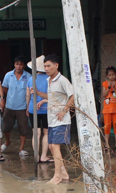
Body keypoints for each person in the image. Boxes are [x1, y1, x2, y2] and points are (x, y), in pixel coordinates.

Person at [44, 54, 74, 185]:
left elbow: (73, 97)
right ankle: (63, 173)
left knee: (55, 147)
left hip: (62, 120)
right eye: (45, 66)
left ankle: (57, 176)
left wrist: (64, 110)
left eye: (48, 66)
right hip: (52, 119)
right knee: (51, 146)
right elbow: (53, 96)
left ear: (56, 65)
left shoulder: (63, 80)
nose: (46, 68)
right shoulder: (48, 80)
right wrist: (40, 96)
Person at [1, 56, 31, 156]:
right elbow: (4, 88)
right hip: (9, 106)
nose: (18, 66)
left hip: (22, 107)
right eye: (17, 64)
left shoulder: (28, 76)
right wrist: (7, 98)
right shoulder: (8, 75)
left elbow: (31, 91)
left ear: (24, 65)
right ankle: (7, 141)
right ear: (14, 64)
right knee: (6, 127)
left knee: (23, 129)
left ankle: (21, 149)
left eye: (21, 64)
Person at [25, 55, 53, 163]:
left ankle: (36, 156)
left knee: (35, 133)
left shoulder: (31, 79)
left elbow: (28, 95)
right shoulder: (49, 79)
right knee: (46, 133)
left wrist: (27, 107)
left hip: (33, 108)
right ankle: (43, 156)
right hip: (46, 108)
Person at [101, 66, 116, 151]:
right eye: (110, 75)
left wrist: (114, 88)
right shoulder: (105, 83)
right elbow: (104, 94)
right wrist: (109, 88)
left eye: (113, 75)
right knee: (107, 127)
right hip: (107, 109)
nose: (112, 77)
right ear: (107, 75)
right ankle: (107, 145)